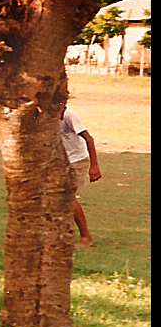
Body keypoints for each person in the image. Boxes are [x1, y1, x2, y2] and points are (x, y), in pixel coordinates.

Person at [60, 104, 102, 247]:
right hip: (61, 161)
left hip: (77, 161)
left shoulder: (69, 116)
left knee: (69, 197)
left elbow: (88, 139)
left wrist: (94, 165)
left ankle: (86, 236)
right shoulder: (47, 115)